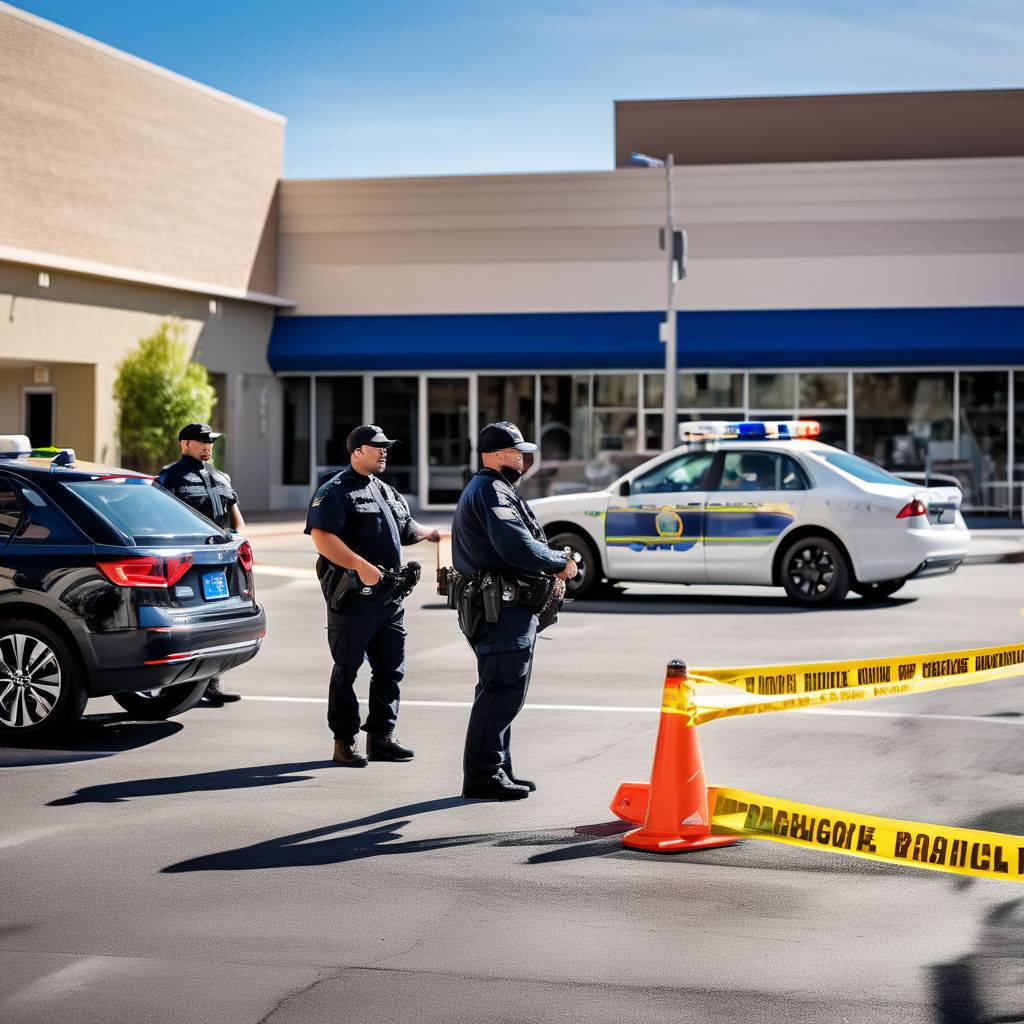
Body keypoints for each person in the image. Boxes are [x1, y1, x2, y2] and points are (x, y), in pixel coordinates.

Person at [452, 421, 577, 800]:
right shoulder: (491, 490)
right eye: (516, 451)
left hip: (506, 608)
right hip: (501, 610)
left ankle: (498, 769)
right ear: (494, 455)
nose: (524, 457)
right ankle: (483, 775)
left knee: (504, 690)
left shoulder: (496, 489)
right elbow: (515, 545)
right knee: (501, 690)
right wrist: (560, 560)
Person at [306, 424, 440, 766]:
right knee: (347, 669)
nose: (384, 451)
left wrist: (428, 533)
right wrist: (360, 565)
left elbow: (405, 527)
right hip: (353, 598)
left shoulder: (386, 491)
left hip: (389, 599)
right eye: (376, 446)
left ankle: (381, 738)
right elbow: (322, 537)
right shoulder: (335, 491)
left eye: (386, 446)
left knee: (390, 669)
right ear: (356, 452)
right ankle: (344, 741)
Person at [157, 422, 244, 707]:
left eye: (211, 442)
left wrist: (238, 545)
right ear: (185, 444)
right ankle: (177, 688)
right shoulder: (170, 477)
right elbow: (161, 520)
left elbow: (235, 519)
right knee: (187, 623)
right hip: (189, 563)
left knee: (217, 621)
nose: (208, 447)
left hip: (222, 562)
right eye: (202, 442)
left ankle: (212, 682)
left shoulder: (222, 477)